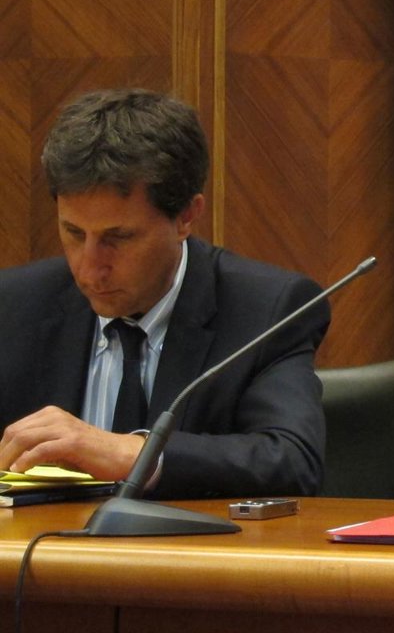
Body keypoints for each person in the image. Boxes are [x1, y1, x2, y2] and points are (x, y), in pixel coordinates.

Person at [0, 88, 330, 498]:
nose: (89, 267)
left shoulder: (265, 309)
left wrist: (130, 453)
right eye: (73, 233)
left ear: (186, 216)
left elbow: (292, 460)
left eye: (117, 238)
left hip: (190, 558)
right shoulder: (14, 305)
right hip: (40, 554)